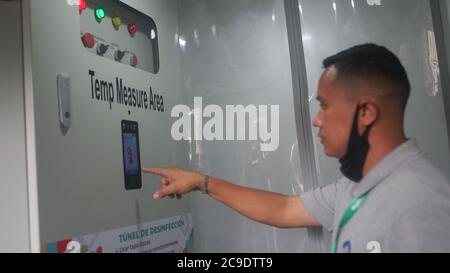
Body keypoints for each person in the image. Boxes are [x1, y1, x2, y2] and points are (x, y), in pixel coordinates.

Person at [143, 43, 450, 253]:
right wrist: (201, 182)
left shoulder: (422, 201)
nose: (316, 120)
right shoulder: (354, 188)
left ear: (366, 112)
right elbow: (283, 209)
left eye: (325, 105)